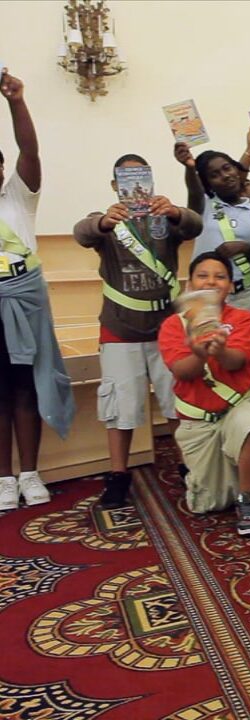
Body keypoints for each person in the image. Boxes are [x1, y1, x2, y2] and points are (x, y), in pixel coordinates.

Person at [74, 154, 202, 508]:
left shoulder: (166, 218)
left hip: (166, 328)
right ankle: (118, 475)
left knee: (178, 403)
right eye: (125, 180)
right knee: (121, 406)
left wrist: (174, 211)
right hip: (120, 329)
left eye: (141, 179)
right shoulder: (104, 222)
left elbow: (194, 225)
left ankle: (188, 466)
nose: (134, 187)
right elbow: (81, 233)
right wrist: (103, 220)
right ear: (115, 186)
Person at [157, 252, 250, 535]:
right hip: (199, 420)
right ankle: (240, 464)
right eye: (203, 275)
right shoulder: (172, 325)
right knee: (209, 502)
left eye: (220, 276)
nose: (211, 282)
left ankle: (249, 498)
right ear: (189, 283)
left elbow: (237, 361)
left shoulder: (243, 319)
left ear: (230, 285)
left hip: (238, 406)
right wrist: (199, 353)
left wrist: (221, 350)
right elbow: (182, 370)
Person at [0, 70, 74, 511]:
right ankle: (4, 478)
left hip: (23, 298)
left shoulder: (17, 199)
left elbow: (30, 149)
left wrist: (16, 102)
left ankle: (30, 473)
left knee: (28, 386)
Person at [173, 132, 250, 313]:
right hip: (205, 295)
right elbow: (194, 191)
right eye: (214, 175)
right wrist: (190, 168)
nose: (226, 175)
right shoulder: (204, 204)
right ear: (208, 184)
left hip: (247, 294)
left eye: (228, 168)